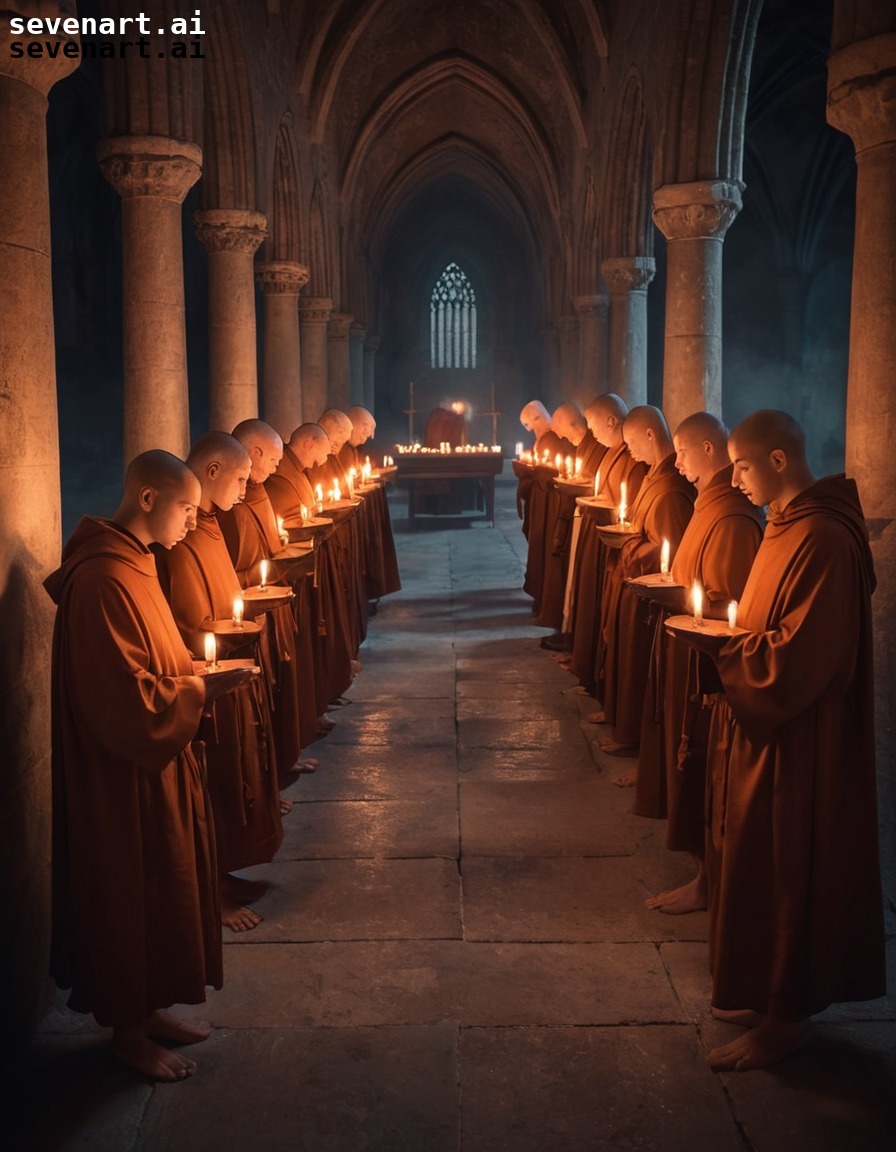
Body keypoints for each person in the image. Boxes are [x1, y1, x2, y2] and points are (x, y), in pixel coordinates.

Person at [671, 410, 884, 1071]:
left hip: (800, 741)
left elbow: (801, 657)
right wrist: (726, 642)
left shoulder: (824, 539)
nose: (732, 479)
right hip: (764, 728)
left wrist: (727, 655)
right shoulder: (783, 528)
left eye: (741, 465)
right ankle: (758, 987)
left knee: (790, 864)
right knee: (757, 858)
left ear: (779, 461)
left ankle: (786, 1018)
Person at [46, 450, 252, 1081]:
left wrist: (194, 671)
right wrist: (201, 692)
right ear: (146, 499)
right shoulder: (103, 578)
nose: (194, 521)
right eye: (186, 508)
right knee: (128, 890)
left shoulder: (137, 564)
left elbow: (155, 659)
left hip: (155, 761)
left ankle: (151, 1007)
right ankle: (126, 1033)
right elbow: (122, 697)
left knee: (164, 882)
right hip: (120, 775)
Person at [632, 413, 763, 914]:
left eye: (683, 452)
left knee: (704, 765)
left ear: (710, 449)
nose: (676, 460)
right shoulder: (712, 504)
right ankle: (702, 874)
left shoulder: (732, 515)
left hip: (708, 669)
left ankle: (709, 881)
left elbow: (732, 604)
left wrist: (685, 602)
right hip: (686, 649)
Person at [155, 432, 283, 933]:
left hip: (221, 668)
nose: (247, 487)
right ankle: (210, 891)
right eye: (242, 477)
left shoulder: (205, 523)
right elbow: (179, 616)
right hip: (197, 681)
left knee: (232, 779)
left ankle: (222, 875)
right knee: (213, 786)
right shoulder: (176, 538)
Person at [596, 405, 695, 776]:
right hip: (632, 582)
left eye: (633, 442)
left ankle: (635, 742)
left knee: (640, 664)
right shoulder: (655, 475)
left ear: (651, 435)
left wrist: (631, 545)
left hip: (650, 594)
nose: (630, 452)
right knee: (627, 657)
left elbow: (669, 548)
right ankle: (624, 730)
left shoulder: (671, 488)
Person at [220, 419, 318, 773]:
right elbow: (227, 574)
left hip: (269, 612)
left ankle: (284, 760)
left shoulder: (257, 491)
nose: (244, 487)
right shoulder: (223, 509)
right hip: (246, 623)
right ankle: (273, 773)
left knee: (277, 694)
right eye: (273, 461)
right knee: (257, 710)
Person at [568, 394, 648, 692]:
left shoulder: (633, 458)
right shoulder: (612, 450)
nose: (592, 432)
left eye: (593, 425)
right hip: (603, 537)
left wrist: (609, 508)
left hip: (620, 549)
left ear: (612, 421)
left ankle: (601, 681)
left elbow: (632, 510)